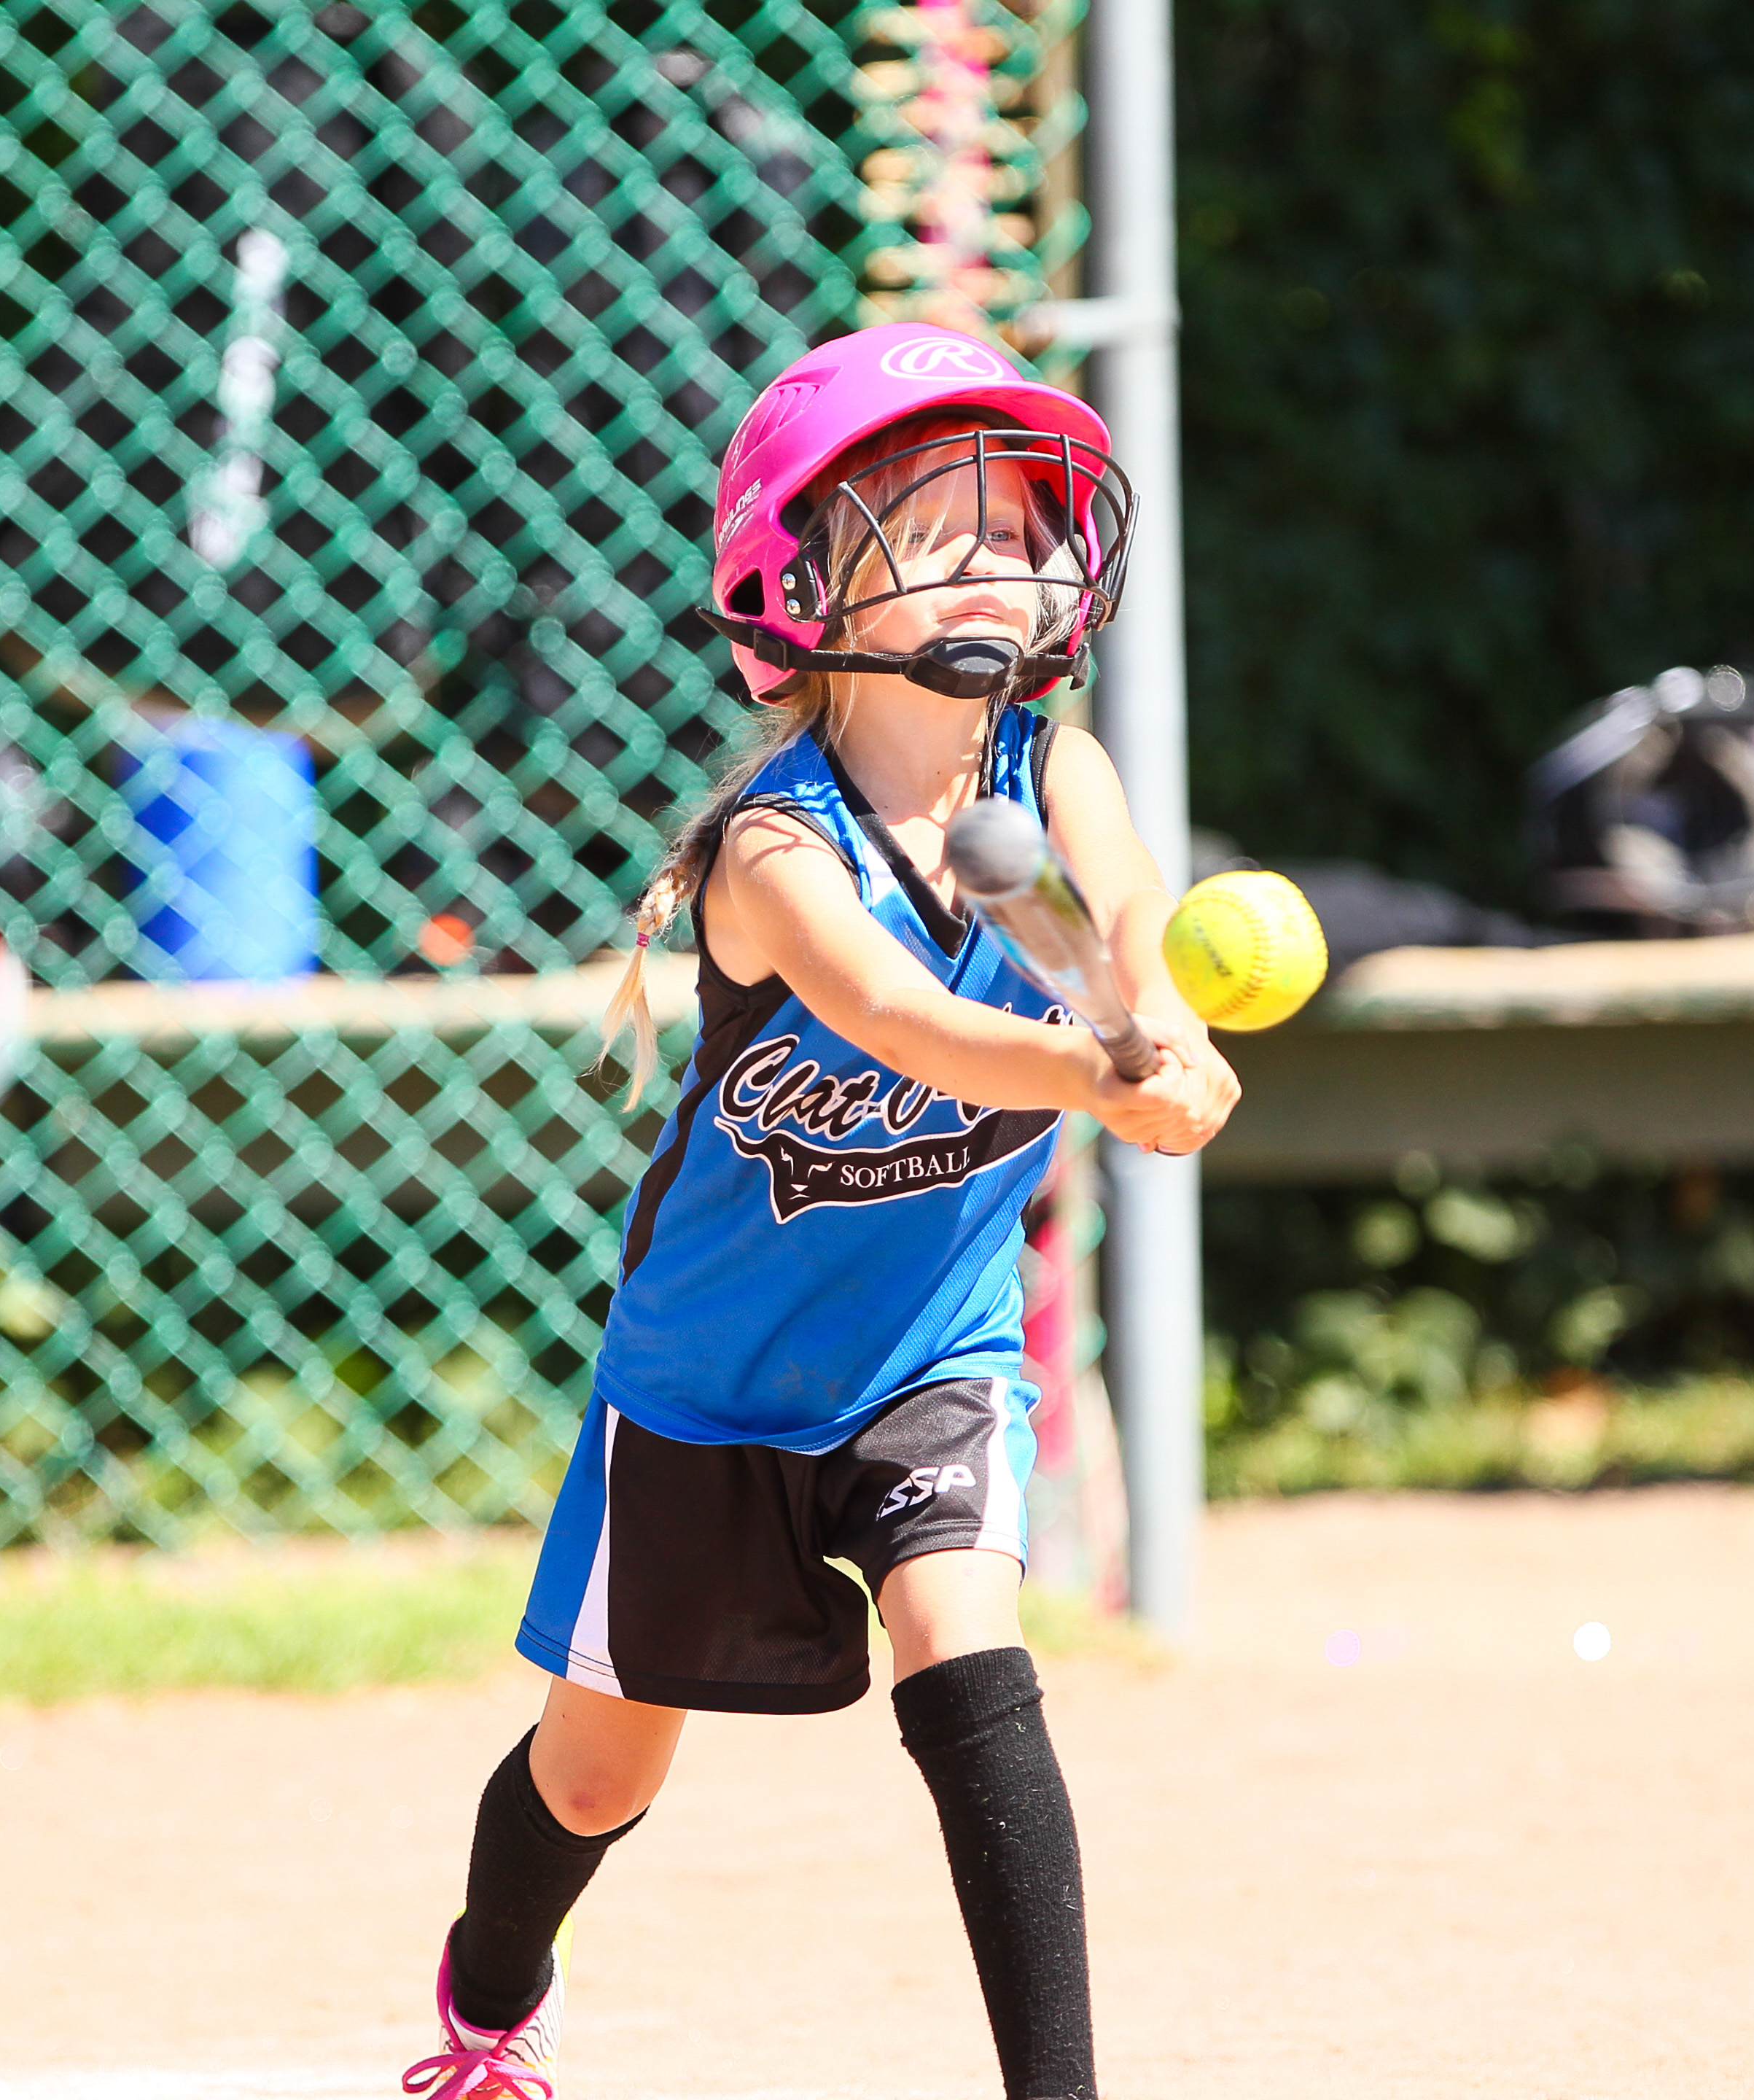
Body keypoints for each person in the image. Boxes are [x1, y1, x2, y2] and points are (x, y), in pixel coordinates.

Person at [400, 324, 1240, 2099]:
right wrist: (1093, 1073)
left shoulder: (1050, 773)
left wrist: (1159, 1020)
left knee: (970, 1661)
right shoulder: (773, 852)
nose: (1003, 557)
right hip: (709, 1385)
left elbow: (1124, 909)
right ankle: (489, 2001)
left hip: (931, 1356)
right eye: (940, 528)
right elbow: (903, 1020)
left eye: (1023, 525)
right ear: (801, 581)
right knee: (599, 1774)